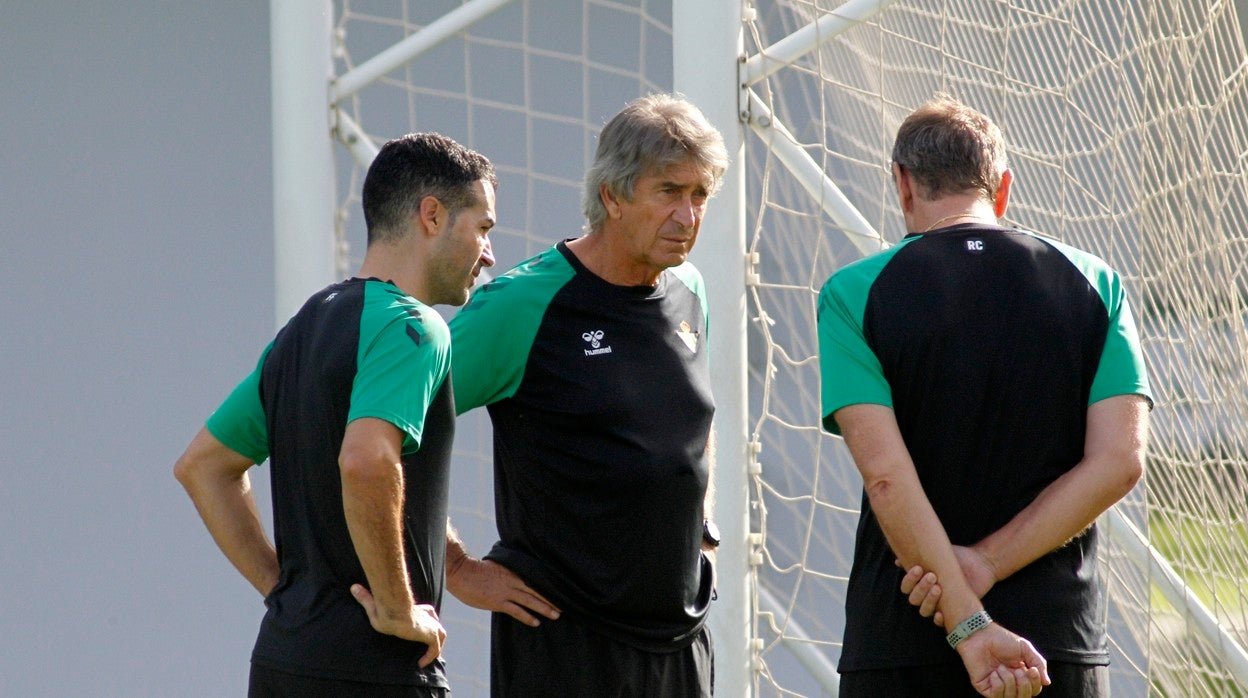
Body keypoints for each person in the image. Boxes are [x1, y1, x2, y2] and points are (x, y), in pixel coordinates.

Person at [817, 94, 1152, 698]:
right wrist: (987, 564)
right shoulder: (1096, 282)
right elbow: (1119, 461)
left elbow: (887, 478)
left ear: (903, 184)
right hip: (1052, 642)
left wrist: (966, 610)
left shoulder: (852, 293)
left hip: (905, 633)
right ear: (1002, 188)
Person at [173, 132, 497, 697]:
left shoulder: (304, 326)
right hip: (373, 669)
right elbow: (367, 462)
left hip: (282, 660)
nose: (489, 253)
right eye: (483, 228)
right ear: (432, 215)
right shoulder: (415, 328)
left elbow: (203, 467)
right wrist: (398, 610)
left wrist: (285, 593)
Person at [442, 93, 730, 697]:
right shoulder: (519, 306)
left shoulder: (690, 289)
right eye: (668, 192)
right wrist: (458, 570)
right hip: (566, 648)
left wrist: (704, 526)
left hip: (680, 644)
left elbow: (695, 419)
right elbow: (383, 430)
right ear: (612, 196)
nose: (688, 217)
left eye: (700, 195)